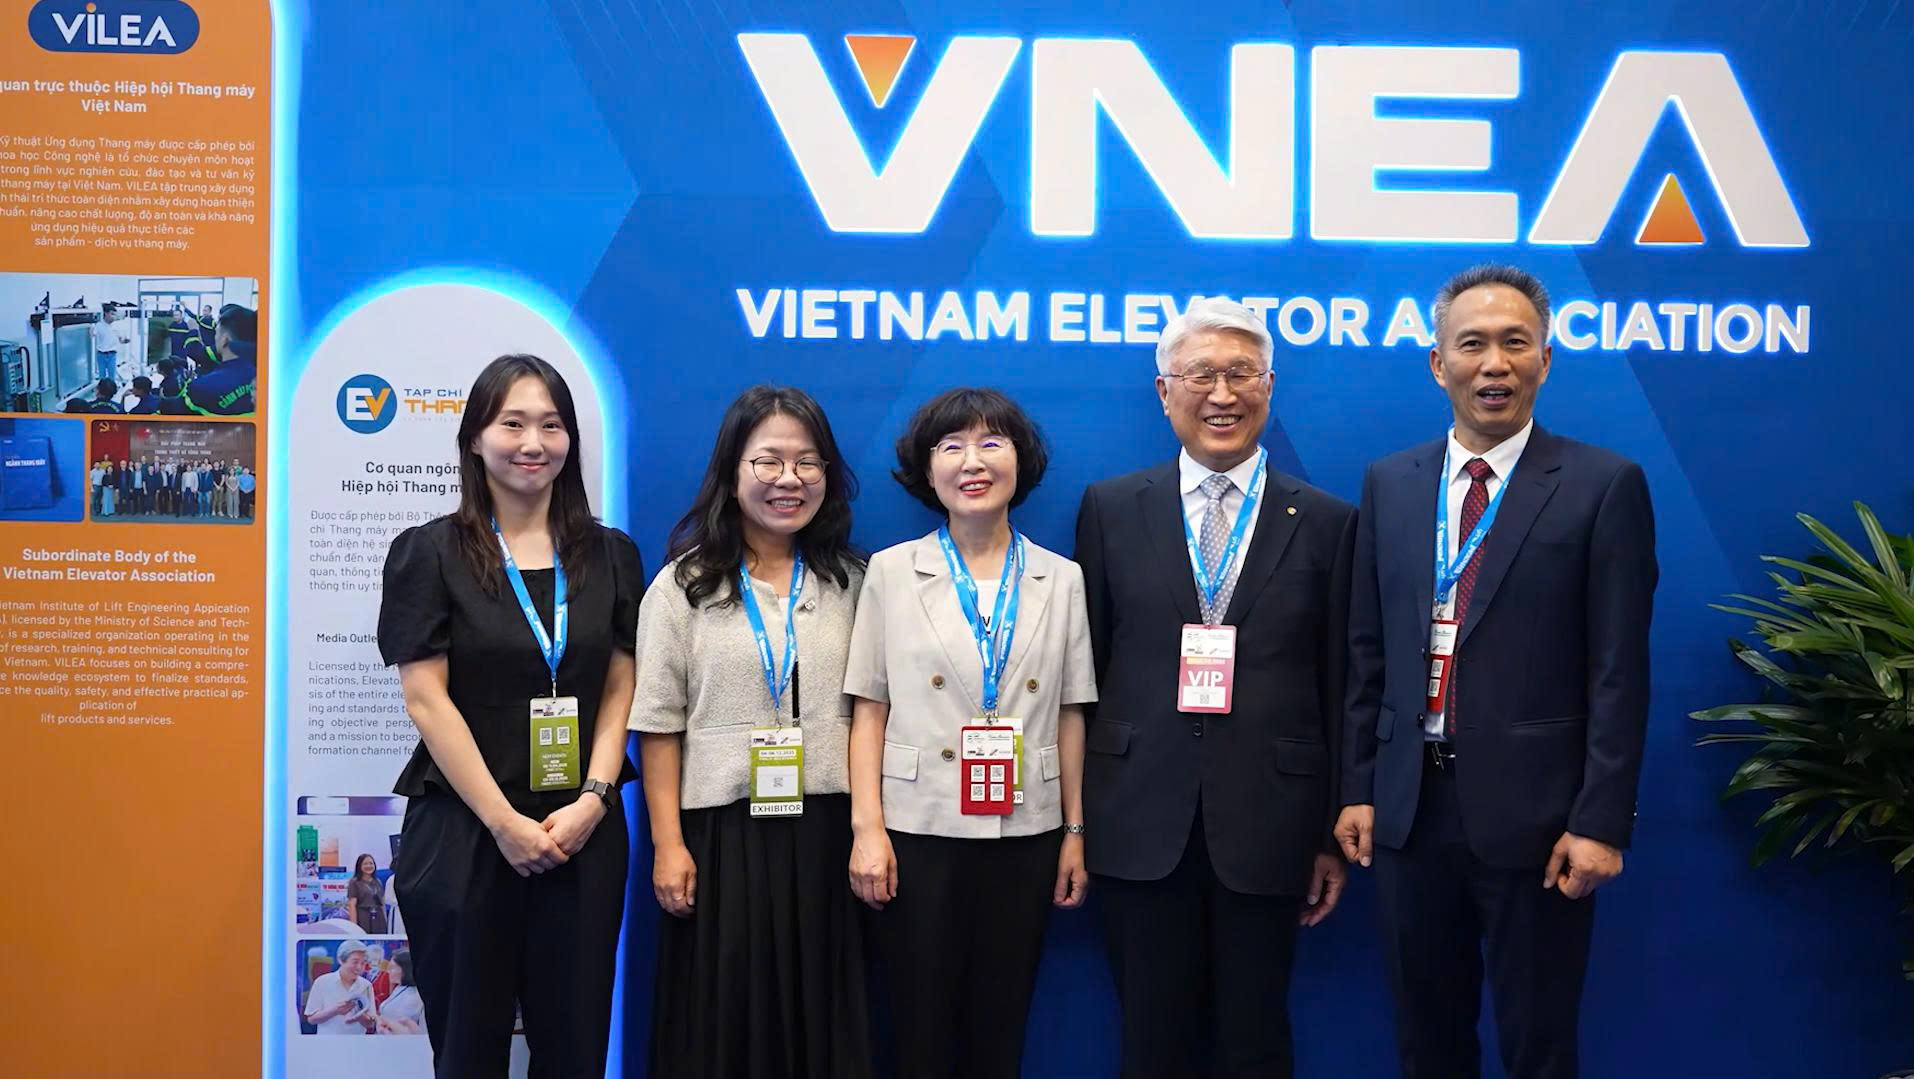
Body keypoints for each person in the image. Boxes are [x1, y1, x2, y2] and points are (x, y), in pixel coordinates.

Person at [1336, 265, 1658, 1079]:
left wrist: (1600, 820)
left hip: (1541, 821)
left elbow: (1619, 671)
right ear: (1437, 363)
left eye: (1516, 343)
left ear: (1545, 359)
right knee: (1426, 1040)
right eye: (1472, 343)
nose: (1494, 363)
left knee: (1537, 1043)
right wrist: (1360, 786)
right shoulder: (1391, 483)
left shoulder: (1603, 485)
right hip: (1410, 814)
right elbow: (1368, 650)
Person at [1075, 297, 1355, 1078]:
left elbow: (1340, 682)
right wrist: (1076, 823)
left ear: (1270, 386)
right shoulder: (1110, 507)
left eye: (1241, 374)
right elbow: (1087, 671)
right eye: (1201, 375)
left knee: (1255, 1041)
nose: (1222, 394)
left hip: (1273, 822)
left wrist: (1328, 831)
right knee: (1150, 1042)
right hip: (1137, 819)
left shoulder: (1328, 521)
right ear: (1164, 391)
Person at [379, 353, 643, 1077]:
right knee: (468, 1049)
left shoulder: (612, 555)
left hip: (581, 832)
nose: (534, 442)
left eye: (551, 425)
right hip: (467, 832)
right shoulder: (430, 553)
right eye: (513, 423)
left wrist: (595, 798)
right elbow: (425, 698)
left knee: (575, 1048)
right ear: (475, 438)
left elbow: (621, 685)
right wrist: (503, 822)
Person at [844, 387, 1094, 1079]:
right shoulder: (891, 571)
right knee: (919, 1024)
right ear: (927, 470)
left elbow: (1071, 711)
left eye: (991, 443)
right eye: (951, 446)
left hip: (1027, 829)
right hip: (917, 828)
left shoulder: (1062, 578)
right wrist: (868, 829)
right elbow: (868, 709)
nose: (972, 462)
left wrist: (1074, 830)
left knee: (1002, 1022)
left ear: (1021, 460)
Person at [632, 385, 872, 1079]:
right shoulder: (682, 587)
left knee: (820, 1017)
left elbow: (875, 711)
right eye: (768, 461)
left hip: (828, 834)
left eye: (807, 462)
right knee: (725, 1022)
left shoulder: (855, 583)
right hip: (720, 840)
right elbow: (658, 727)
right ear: (732, 472)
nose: (789, 479)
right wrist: (668, 845)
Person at [183, 304, 256, 417]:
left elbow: (195, 352)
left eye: (217, 333)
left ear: (224, 340)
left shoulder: (200, 388)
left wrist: (193, 331)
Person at [303, 939, 378, 1035]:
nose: (359, 967)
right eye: (355, 962)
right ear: (341, 960)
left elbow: (371, 1024)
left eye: (363, 963)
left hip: (357, 1042)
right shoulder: (322, 982)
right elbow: (311, 1019)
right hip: (328, 1041)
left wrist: (358, 1013)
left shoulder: (366, 985)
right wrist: (335, 1010)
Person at [377, 950, 428, 1035]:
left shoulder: (413, 995)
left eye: (392, 967)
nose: (389, 971)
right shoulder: (400, 988)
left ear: (405, 969)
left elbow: (397, 1019)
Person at [346, 853, 389, 934]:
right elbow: (352, 905)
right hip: (363, 918)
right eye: (365, 864)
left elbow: (382, 903)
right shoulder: (354, 882)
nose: (369, 866)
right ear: (359, 866)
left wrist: (385, 921)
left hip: (378, 918)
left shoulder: (377, 881)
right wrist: (354, 926)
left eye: (371, 863)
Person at [90, 303, 132, 382]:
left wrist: (125, 341)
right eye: (112, 314)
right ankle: (103, 389)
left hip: (112, 354)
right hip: (101, 354)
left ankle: (111, 389)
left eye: (114, 314)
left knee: (111, 376)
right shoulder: (99, 325)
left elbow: (121, 340)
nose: (114, 316)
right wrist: (91, 325)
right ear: (106, 314)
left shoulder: (116, 326)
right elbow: (92, 335)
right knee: (102, 376)